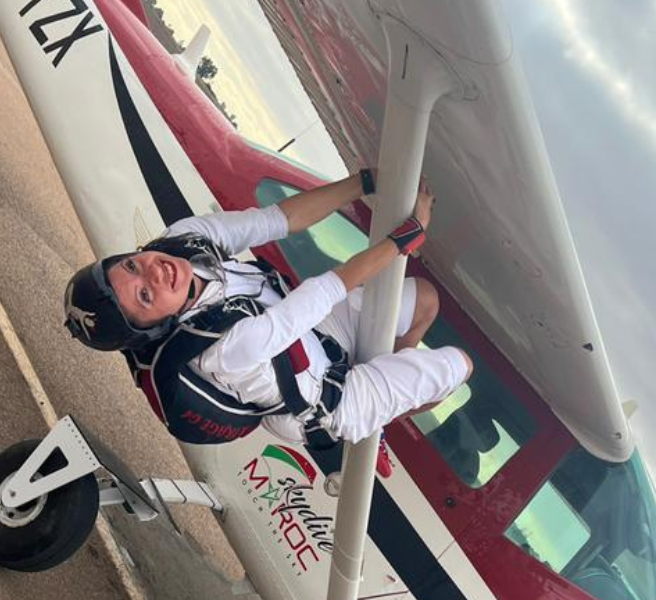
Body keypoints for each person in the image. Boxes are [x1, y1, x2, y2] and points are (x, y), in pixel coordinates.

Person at [62, 169, 473, 462]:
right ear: (155, 327)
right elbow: (330, 286)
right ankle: (376, 418)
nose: (154, 271)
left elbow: (279, 219)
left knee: (425, 300)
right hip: (324, 399)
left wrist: (364, 182)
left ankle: (385, 395)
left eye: (131, 265)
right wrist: (410, 234)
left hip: (311, 335)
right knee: (460, 365)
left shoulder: (179, 242)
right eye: (145, 296)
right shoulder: (223, 349)